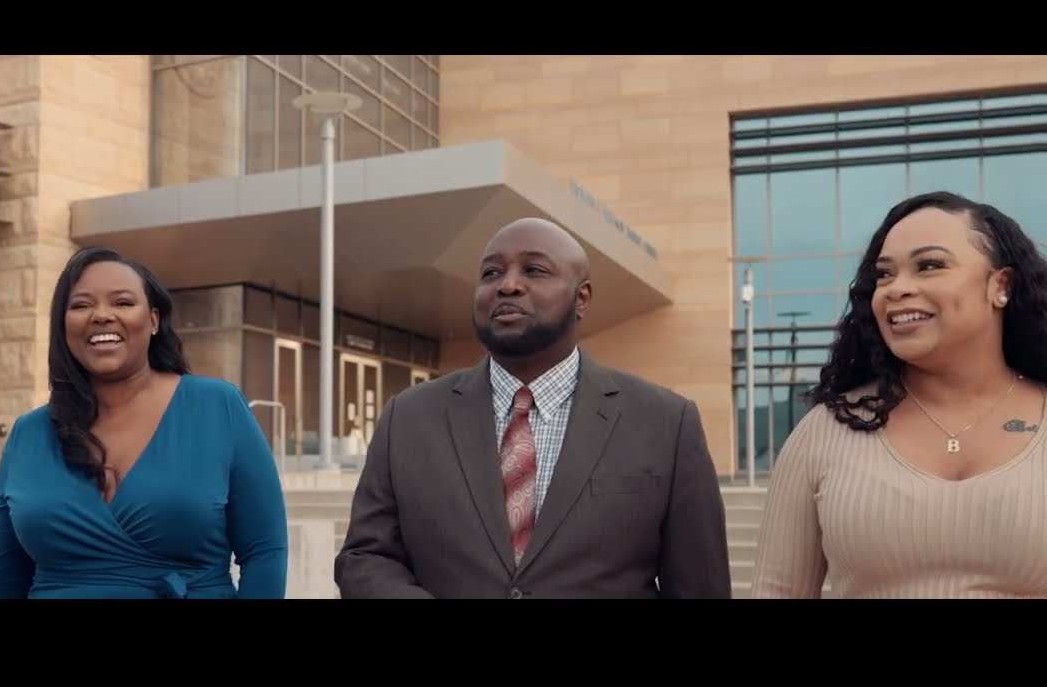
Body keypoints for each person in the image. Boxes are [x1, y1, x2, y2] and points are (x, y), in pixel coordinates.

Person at [334, 217, 731, 598]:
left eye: (534, 270)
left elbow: (699, 586)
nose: (507, 285)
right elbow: (365, 557)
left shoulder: (666, 423)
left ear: (581, 297)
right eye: (491, 273)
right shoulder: (408, 417)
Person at [752, 191, 1047, 599]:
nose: (896, 289)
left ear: (1001, 285)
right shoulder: (824, 432)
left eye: (929, 266)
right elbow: (777, 591)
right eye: (884, 275)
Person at [0, 246, 288, 598]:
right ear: (63, 326)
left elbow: (265, 552)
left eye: (123, 302)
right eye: (81, 305)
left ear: (154, 320)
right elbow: (3, 569)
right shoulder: (29, 432)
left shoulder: (219, 407)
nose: (101, 315)